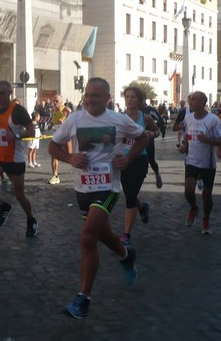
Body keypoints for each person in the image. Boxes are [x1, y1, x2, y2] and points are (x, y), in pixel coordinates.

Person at [48, 77, 149, 320]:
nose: (91, 99)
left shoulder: (119, 120)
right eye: (87, 95)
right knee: (101, 234)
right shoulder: (74, 119)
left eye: (96, 95)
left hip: (107, 186)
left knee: (87, 237)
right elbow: (53, 146)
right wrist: (70, 159)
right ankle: (126, 255)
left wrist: (129, 158)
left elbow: (143, 137)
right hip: (82, 188)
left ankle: (83, 299)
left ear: (107, 98)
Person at [0, 81, 38, 238]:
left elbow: (31, 131)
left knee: (19, 195)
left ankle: (31, 219)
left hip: (15, 159)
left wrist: (17, 135)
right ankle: (3, 206)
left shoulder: (18, 110)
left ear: (10, 93)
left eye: (2, 93)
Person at [178, 91, 221, 234]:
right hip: (191, 161)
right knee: (188, 191)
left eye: (194, 100)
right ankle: (193, 207)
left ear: (202, 103)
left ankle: (206, 219)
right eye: (191, 99)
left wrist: (208, 140)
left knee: (207, 196)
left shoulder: (213, 120)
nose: (190, 102)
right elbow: (188, 136)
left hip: (207, 164)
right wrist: (184, 147)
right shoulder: (188, 118)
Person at [119, 87, 159, 247]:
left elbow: (157, 131)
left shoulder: (146, 118)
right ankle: (142, 208)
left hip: (140, 159)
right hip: (123, 160)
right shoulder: (119, 118)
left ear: (139, 100)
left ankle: (126, 235)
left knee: (130, 196)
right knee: (129, 193)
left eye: (133, 97)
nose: (129, 100)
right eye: (127, 96)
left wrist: (150, 135)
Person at [48, 94, 72, 184]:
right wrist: (51, 125)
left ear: (62, 102)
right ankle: (55, 176)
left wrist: (65, 122)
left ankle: (81, 172)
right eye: (53, 101)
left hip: (66, 137)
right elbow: (54, 121)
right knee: (53, 154)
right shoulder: (54, 111)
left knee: (70, 155)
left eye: (56, 101)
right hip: (57, 136)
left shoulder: (66, 110)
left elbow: (73, 120)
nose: (54, 103)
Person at [142, 99, 164, 188]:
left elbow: (160, 121)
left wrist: (153, 129)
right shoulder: (131, 110)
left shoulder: (150, 110)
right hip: (134, 141)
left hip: (148, 140)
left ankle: (157, 174)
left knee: (151, 160)